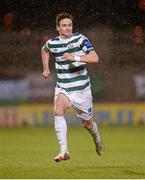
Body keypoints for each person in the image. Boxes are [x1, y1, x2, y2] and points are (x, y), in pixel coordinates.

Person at [41, 12, 104, 162]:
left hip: (82, 90)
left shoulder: (80, 39)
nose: (68, 28)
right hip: (63, 88)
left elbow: (95, 57)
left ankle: (97, 139)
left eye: (70, 25)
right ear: (58, 28)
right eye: (64, 25)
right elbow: (44, 50)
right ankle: (64, 150)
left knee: (88, 125)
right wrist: (46, 68)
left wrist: (75, 57)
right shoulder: (53, 43)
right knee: (58, 110)